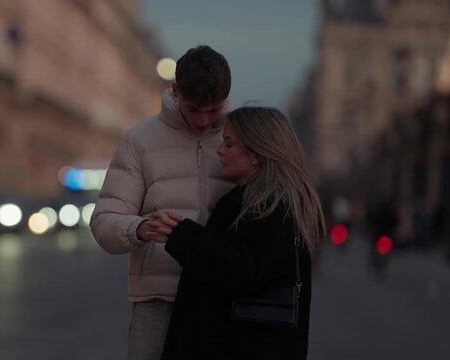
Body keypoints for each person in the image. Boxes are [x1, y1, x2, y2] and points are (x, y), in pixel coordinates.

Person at [90, 45, 234, 360]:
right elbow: (104, 221)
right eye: (194, 109)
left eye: (213, 110)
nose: (203, 120)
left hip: (221, 297)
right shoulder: (139, 140)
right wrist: (139, 228)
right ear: (175, 91)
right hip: (158, 300)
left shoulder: (239, 139)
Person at [160, 107, 326, 359]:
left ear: (256, 155)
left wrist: (181, 234)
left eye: (229, 144)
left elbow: (242, 273)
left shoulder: (270, 208)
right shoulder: (262, 202)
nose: (220, 151)